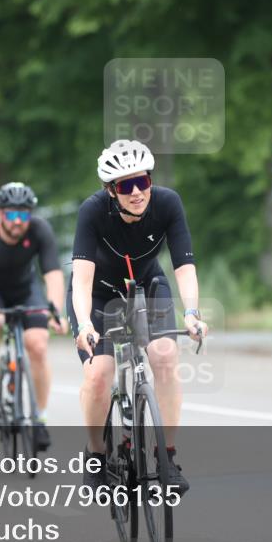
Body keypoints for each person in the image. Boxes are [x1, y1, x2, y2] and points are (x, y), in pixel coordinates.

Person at [69, 139, 208, 494]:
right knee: (99, 375)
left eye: (142, 182)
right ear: (111, 191)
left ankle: (167, 457)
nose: (136, 192)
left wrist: (191, 313)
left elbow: (184, 268)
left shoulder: (168, 203)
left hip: (147, 284)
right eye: (124, 186)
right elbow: (81, 281)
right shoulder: (93, 211)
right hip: (100, 293)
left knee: (164, 354)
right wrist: (84, 323)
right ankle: (96, 455)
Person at [0, 182, 69, 450]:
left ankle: (39, 419)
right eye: (12, 214)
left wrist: (55, 311)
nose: (18, 221)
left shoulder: (40, 230)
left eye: (24, 215)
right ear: (0, 214)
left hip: (25, 289)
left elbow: (53, 274)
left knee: (38, 345)